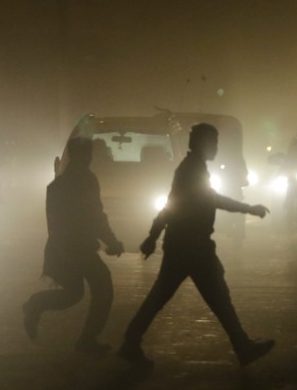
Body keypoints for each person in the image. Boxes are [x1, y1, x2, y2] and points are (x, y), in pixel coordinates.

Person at [117, 123, 274, 367]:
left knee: (165, 296)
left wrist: (154, 236)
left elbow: (180, 205)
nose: (216, 148)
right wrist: (249, 208)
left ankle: (130, 341)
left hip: (184, 245)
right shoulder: (192, 171)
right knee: (217, 298)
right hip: (192, 246)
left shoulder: (192, 168)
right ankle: (242, 347)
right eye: (214, 143)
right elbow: (185, 204)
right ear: (204, 144)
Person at [22, 137, 124, 356]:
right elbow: (95, 216)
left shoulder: (58, 184)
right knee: (103, 289)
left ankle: (36, 305)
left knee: (73, 294)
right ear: (85, 155)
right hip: (79, 248)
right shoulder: (86, 180)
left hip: (61, 248)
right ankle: (87, 339)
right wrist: (112, 241)